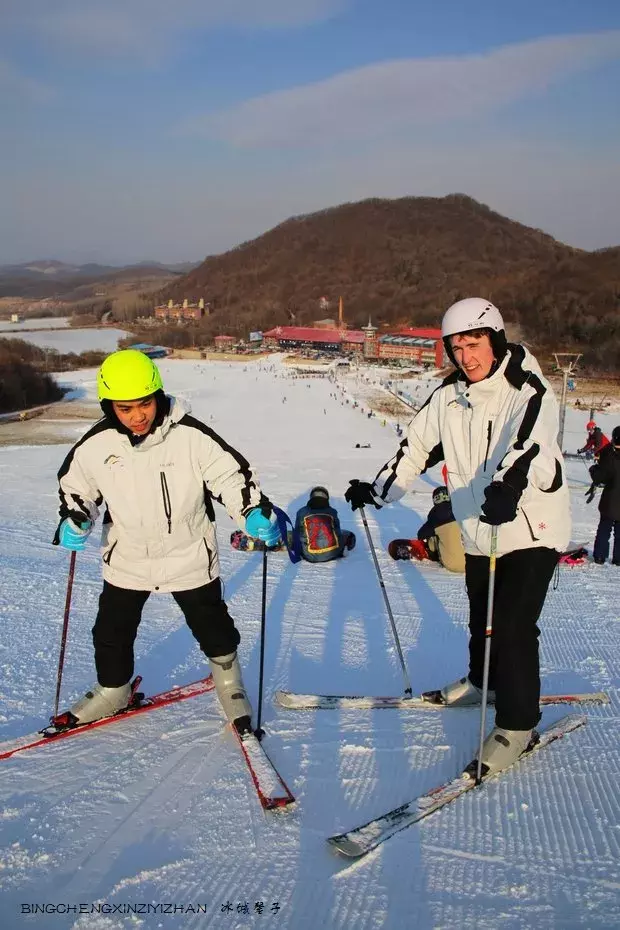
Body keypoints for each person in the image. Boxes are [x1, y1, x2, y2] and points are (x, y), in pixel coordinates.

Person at [345, 298, 570, 776]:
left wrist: (509, 486)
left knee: (511, 628)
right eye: (456, 347)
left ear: (496, 339)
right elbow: (416, 447)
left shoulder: (527, 388)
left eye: (475, 343)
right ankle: (484, 684)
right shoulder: (449, 396)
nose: (466, 356)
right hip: (477, 527)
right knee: (481, 619)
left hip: (530, 524)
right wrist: (378, 489)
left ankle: (519, 723)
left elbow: (530, 445)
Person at [53, 349, 281, 735]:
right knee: (110, 632)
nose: (138, 416)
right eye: (125, 408)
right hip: (127, 558)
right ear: (110, 407)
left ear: (159, 395)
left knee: (211, 624)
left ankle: (228, 682)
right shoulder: (95, 446)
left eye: (145, 403)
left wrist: (252, 511)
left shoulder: (191, 436)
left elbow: (231, 477)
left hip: (189, 554)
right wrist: (75, 519)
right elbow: (77, 490)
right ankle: (113, 688)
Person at [388, 487, 466, 573]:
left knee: (433, 536)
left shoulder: (436, 514)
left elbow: (421, 535)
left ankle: (428, 551)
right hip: (474, 563)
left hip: (451, 564)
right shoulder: (463, 509)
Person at [294, 487, 355, 563]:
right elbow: (337, 531)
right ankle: (342, 550)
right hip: (333, 553)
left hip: (309, 555)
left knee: (290, 535)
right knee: (349, 534)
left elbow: (297, 532)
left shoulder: (301, 512)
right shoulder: (332, 511)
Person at [588, 425, 620, 565]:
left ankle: (600, 556)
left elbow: (600, 476)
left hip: (610, 500)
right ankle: (618, 558)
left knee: (604, 529)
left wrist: (593, 470)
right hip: (612, 500)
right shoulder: (609, 454)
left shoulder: (609, 455)